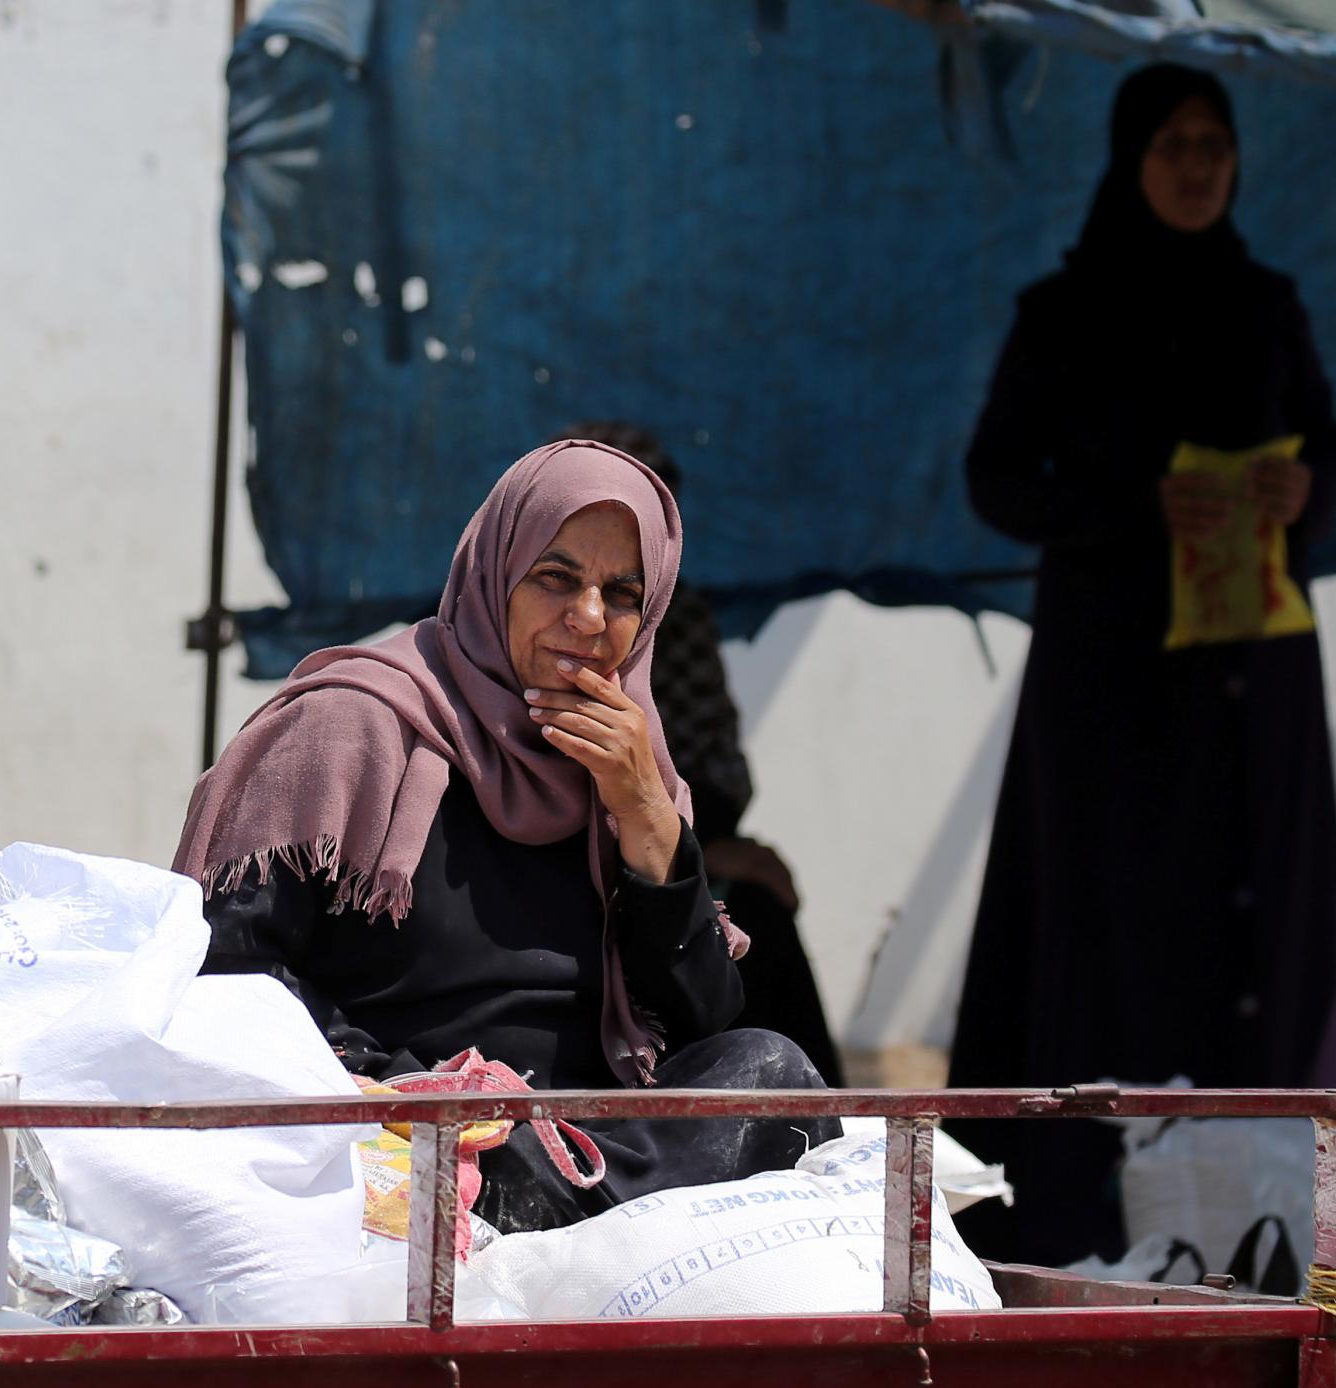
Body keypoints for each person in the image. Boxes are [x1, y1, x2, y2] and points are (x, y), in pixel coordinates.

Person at [176, 439, 833, 1235]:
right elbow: (230, 968)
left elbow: (700, 1024)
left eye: (621, 593)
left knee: (771, 1074)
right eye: (557, 578)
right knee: (484, 1168)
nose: (589, 618)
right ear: (495, 574)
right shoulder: (351, 725)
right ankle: (566, 1224)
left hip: (587, 1149)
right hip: (400, 1137)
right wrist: (412, 1092)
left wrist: (647, 819)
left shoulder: (632, 769)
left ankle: (573, 1225)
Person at [951, 64, 1336, 1266]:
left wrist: (1304, 489)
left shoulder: (1267, 303)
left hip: (1251, 679)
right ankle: (1092, 1208)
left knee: (1256, 920)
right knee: (1116, 917)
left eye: (1212, 144)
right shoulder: (1062, 314)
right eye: (1171, 144)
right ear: (1130, 158)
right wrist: (1133, 505)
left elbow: (1327, 457)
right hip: (1114, 680)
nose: (1194, 165)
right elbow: (999, 480)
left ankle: (1265, 1206)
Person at [550, 423, 844, 1086]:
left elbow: (707, 768)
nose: (590, 615)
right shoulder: (495, 618)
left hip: (657, 847)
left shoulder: (677, 620)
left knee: (751, 932)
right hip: (556, 861)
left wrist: (684, 838)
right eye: (557, 572)